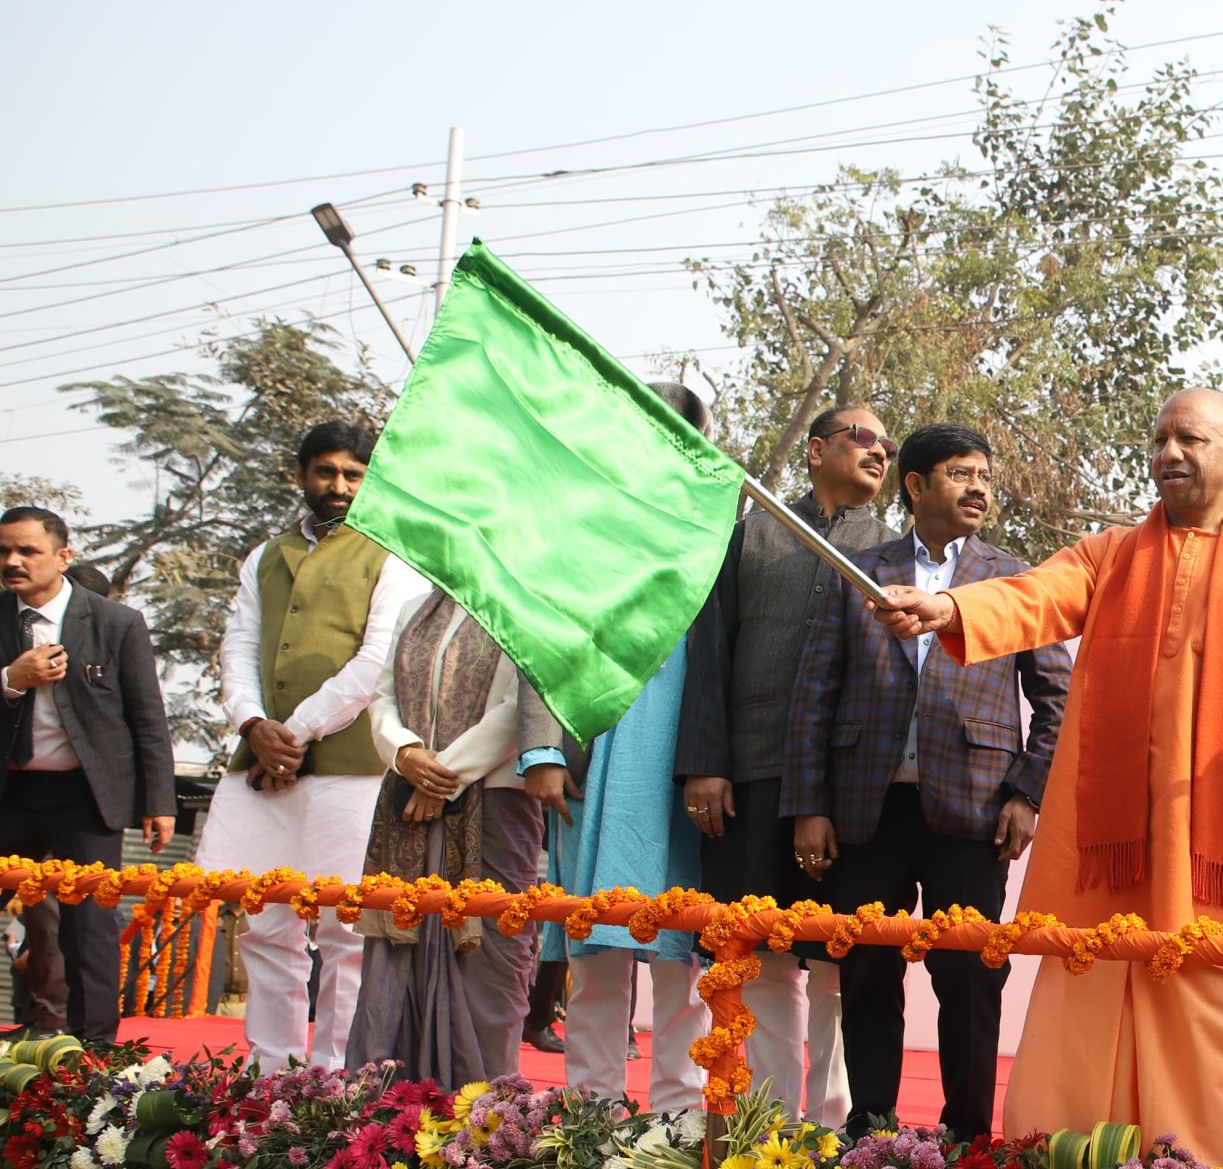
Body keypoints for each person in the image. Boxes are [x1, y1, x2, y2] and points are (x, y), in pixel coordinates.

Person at [870, 388, 1223, 1169]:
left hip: (1220, 839)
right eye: (1159, 439)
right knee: (1089, 993)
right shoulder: (1109, 554)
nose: (1168, 454)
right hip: (1111, 841)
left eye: (1189, 439)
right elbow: (1033, 597)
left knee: (1212, 998)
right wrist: (948, 608)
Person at [785, 424, 1069, 1136]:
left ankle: (968, 1140)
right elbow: (815, 692)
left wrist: (1027, 792)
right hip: (866, 808)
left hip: (974, 814)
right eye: (961, 474)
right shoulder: (858, 569)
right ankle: (871, 1131)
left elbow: (1059, 698)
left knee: (970, 980)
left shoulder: (1012, 580)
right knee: (868, 975)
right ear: (915, 486)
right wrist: (808, 807)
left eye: (985, 476)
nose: (979, 488)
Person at [679, 404, 892, 1122]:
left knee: (839, 958)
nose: (880, 452)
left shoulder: (889, 553)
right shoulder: (749, 535)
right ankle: (762, 1124)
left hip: (847, 787)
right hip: (751, 771)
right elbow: (708, 654)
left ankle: (829, 1129)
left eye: (889, 447)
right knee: (759, 952)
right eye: (864, 439)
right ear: (815, 450)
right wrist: (707, 764)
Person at [196, 422, 427, 1070]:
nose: (339, 486)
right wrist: (250, 724)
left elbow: (377, 659)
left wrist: (293, 731)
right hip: (263, 764)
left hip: (347, 768)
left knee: (343, 927)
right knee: (264, 922)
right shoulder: (267, 555)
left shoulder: (390, 552)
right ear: (301, 474)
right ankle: (269, 1070)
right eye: (326, 472)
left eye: (353, 475)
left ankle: (331, 1081)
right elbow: (237, 647)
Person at [521, 383, 716, 1112]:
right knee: (593, 950)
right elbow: (539, 643)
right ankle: (590, 1119)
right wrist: (540, 753)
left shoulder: (716, 528)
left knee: (682, 952)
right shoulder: (580, 530)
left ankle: (675, 1121)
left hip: (683, 765)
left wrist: (717, 765)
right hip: (591, 763)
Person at [343, 588, 542, 1088]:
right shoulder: (416, 608)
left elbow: (524, 703)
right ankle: (390, 1113)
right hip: (406, 797)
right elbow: (383, 696)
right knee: (397, 954)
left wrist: (443, 777)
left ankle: (481, 1120)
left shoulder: (527, 602)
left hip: (495, 800)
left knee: (490, 959)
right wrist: (406, 753)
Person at [0, 507, 175, 1045]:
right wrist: (11, 677)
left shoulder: (116, 622)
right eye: (4, 550)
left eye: (27, 550)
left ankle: (94, 1051)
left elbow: (147, 717)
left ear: (63, 556)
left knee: (89, 925)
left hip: (87, 795)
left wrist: (159, 801)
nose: (12, 561)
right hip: (10, 790)